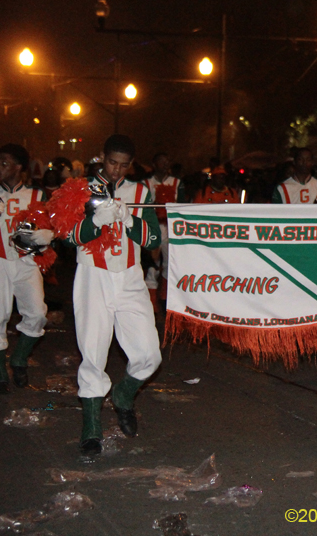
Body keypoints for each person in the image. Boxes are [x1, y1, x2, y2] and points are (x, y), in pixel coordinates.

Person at [63, 134, 162, 456]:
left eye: (123, 165)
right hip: (93, 276)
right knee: (92, 353)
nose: (117, 170)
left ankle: (122, 396)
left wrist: (129, 219)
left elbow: (152, 240)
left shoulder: (141, 191)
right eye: (111, 163)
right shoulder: (77, 188)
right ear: (100, 157)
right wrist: (95, 221)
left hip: (131, 277)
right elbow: (68, 237)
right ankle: (91, 428)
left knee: (149, 354)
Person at [0, 144, 52, 394]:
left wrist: (46, 236)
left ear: (19, 167)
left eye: (4, 162)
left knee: (38, 313)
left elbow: (51, 228)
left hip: (26, 261)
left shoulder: (37, 195)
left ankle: (18, 359)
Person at [143, 153, 186, 311]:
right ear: (154, 163)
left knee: (171, 263)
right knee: (152, 265)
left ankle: (164, 299)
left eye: (167, 161)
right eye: (162, 162)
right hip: (153, 226)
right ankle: (151, 303)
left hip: (170, 228)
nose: (165, 164)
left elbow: (182, 205)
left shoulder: (176, 182)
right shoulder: (146, 183)